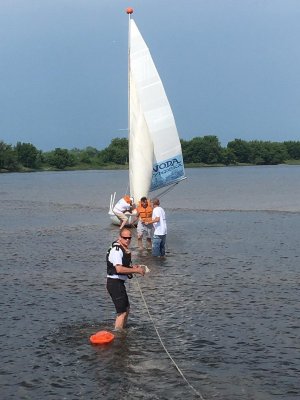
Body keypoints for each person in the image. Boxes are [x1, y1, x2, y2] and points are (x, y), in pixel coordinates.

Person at [106, 228, 145, 329]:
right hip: (114, 283)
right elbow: (119, 269)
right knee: (122, 312)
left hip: (119, 283)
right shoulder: (116, 250)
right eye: (125, 238)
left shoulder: (123, 248)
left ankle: (123, 330)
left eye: (129, 238)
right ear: (120, 237)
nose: (127, 240)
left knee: (127, 308)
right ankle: (118, 334)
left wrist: (133, 268)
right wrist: (135, 271)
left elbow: (123, 266)